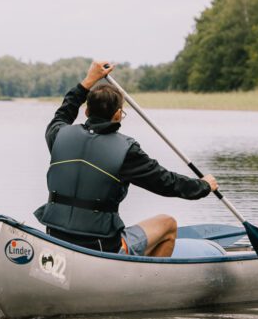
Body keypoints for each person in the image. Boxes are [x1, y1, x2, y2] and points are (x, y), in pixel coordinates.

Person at [34, 60, 218, 257]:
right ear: (118, 115)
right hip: (100, 246)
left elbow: (65, 110)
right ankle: (145, 282)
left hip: (55, 238)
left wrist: (87, 81)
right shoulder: (126, 151)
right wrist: (204, 186)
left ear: (86, 111)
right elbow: (167, 183)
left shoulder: (58, 135)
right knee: (168, 224)